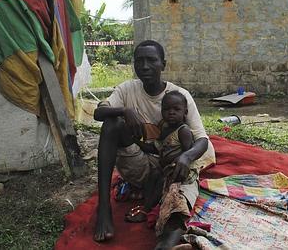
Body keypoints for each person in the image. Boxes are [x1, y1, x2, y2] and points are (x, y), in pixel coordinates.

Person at [92, 40, 215, 249]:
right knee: (111, 123)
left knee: (176, 203)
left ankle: (167, 242)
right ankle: (104, 209)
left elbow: (202, 140)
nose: (145, 66)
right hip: (142, 164)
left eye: (151, 60)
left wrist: (185, 157)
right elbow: (98, 113)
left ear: (163, 64)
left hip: (174, 167)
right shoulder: (127, 89)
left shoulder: (180, 96)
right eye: (139, 61)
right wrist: (124, 111)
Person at [125, 91, 197, 237]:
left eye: (176, 110)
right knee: (153, 176)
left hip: (180, 172)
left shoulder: (183, 131)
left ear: (185, 112)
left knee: (159, 179)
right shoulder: (164, 130)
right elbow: (155, 148)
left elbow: (189, 155)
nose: (171, 113)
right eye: (166, 109)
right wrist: (136, 141)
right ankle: (149, 202)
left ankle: (146, 208)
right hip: (164, 168)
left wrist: (177, 163)